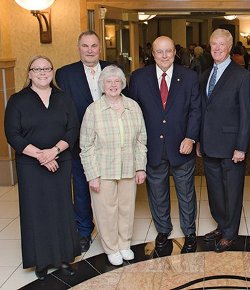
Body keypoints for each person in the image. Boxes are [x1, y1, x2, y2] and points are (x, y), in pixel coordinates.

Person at [4, 56, 80, 280]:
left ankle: (64, 257)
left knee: (61, 209)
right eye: (37, 69)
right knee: (36, 211)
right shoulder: (18, 100)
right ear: (29, 73)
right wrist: (41, 156)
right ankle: (41, 261)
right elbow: (12, 134)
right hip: (31, 165)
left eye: (47, 68)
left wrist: (54, 152)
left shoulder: (63, 98)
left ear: (52, 71)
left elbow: (72, 130)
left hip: (60, 161)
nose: (42, 72)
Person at [129, 36, 201, 253]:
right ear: (152, 54)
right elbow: (134, 112)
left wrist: (190, 137)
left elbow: (196, 110)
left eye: (168, 51)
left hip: (182, 145)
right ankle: (163, 229)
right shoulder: (139, 77)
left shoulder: (188, 77)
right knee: (157, 191)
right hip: (152, 147)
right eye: (159, 52)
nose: (164, 55)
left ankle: (189, 232)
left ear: (174, 53)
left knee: (186, 192)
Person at [56, 31, 117, 253]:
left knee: (109, 188)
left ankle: (111, 229)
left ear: (100, 47)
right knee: (81, 187)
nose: (90, 50)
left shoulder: (112, 68)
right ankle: (83, 230)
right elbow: (62, 109)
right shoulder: (64, 74)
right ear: (78, 47)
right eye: (85, 46)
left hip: (110, 142)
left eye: (94, 45)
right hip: (80, 141)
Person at [80, 65, 147, 266]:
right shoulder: (93, 110)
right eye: (108, 81)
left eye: (117, 81)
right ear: (102, 85)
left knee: (126, 208)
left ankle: (124, 244)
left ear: (122, 84)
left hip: (128, 167)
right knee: (105, 210)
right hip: (103, 171)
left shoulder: (133, 106)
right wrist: (92, 175)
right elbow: (86, 145)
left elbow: (141, 140)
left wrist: (140, 167)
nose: (113, 85)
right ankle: (111, 247)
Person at [197, 29, 250, 252]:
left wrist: (241, 147)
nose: (217, 48)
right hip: (209, 145)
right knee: (214, 191)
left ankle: (230, 233)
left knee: (231, 191)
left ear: (230, 47)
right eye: (213, 44)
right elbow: (203, 110)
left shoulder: (242, 76)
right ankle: (221, 225)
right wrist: (200, 141)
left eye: (222, 44)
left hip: (232, 147)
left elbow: (247, 114)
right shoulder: (205, 75)